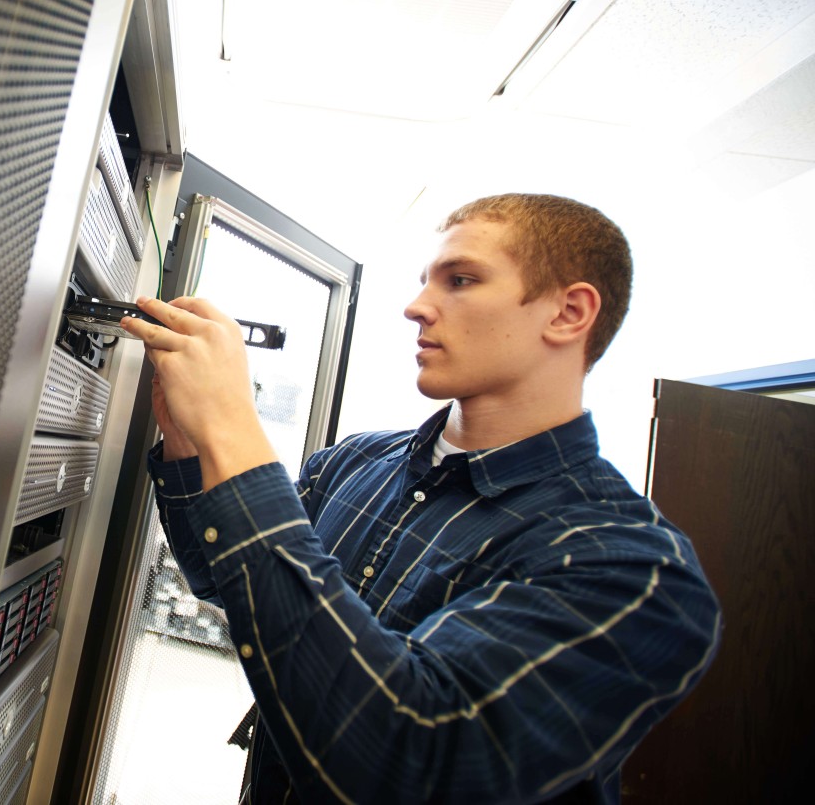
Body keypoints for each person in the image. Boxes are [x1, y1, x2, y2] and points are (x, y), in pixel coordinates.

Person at [119, 194, 720, 805]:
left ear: (568, 313)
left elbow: (404, 759)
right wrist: (189, 442)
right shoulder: (358, 461)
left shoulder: (631, 568)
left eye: (460, 280)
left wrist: (231, 426)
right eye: (424, 281)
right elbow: (224, 578)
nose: (415, 307)